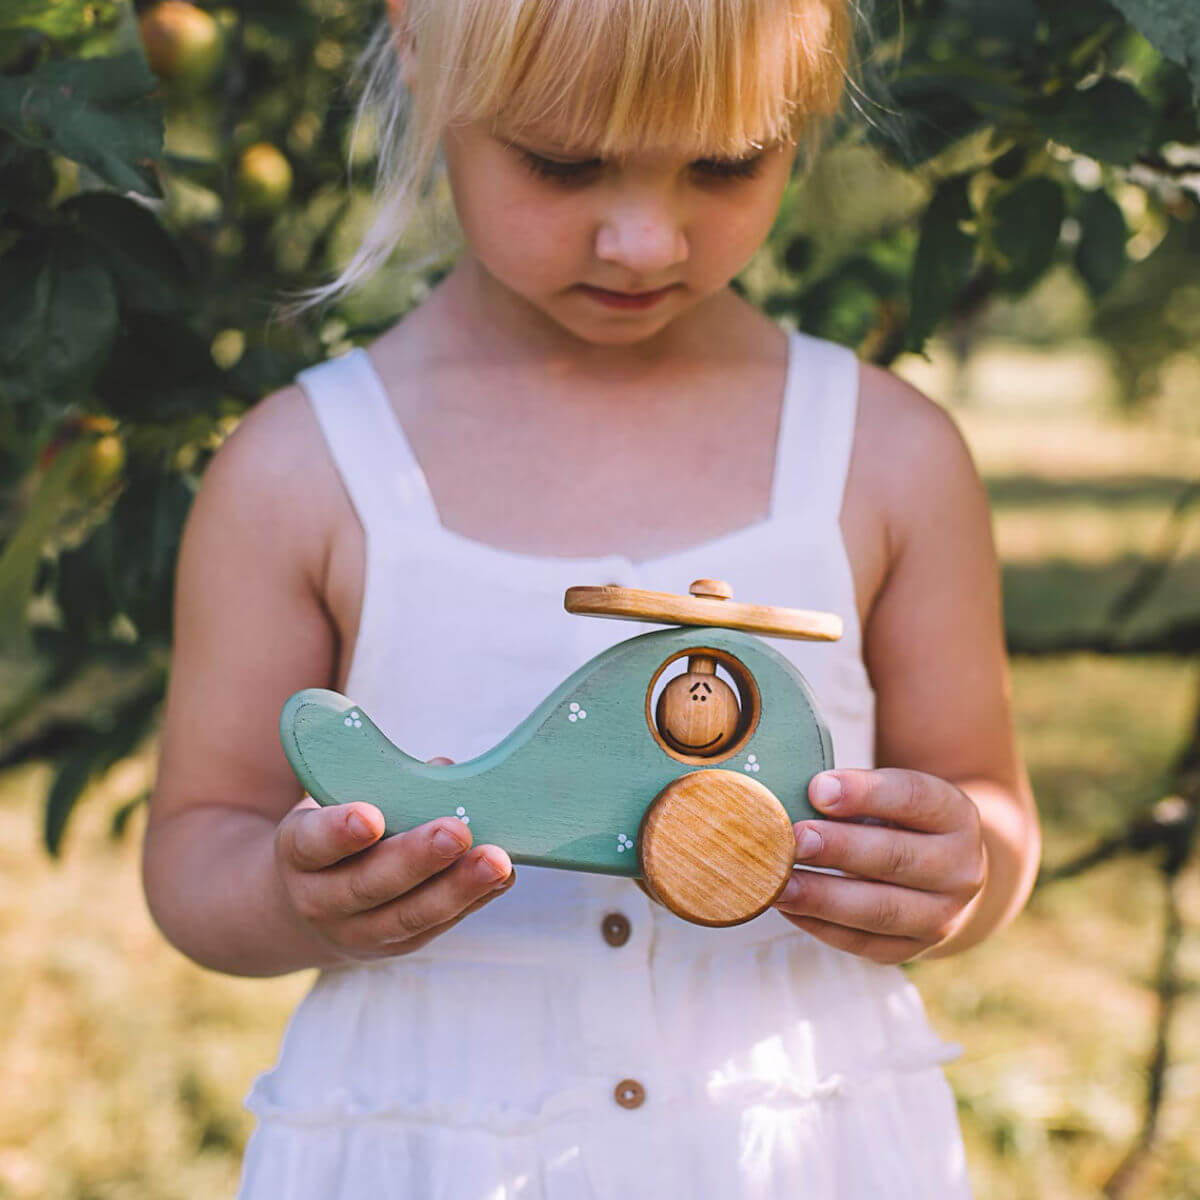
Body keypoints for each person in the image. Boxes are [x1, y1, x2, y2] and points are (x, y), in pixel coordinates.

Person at [142, 0, 1041, 1195]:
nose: (643, 242)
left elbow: (991, 810)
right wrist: (291, 896)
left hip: (789, 1140)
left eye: (725, 162)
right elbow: (196, 844)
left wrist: (955, 870)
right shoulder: (299, 471)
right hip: (433, 1139)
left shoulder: (889, 457)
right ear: (415, 47)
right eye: (563, 162)